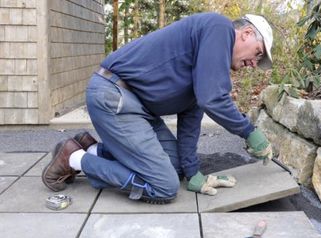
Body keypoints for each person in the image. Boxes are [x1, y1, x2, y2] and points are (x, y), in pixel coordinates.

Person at [42, 12, 273, 204]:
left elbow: (191, 120)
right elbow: (213, 99)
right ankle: (74, 158)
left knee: (177, 166)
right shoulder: (219, 27)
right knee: (164, 186)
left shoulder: (204, 66)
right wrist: (248, 131)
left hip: (137, 107)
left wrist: (193, 174)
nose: (254, 63)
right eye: (258, 53)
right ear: (247, 33)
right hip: (113, 96)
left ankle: (92, 150)